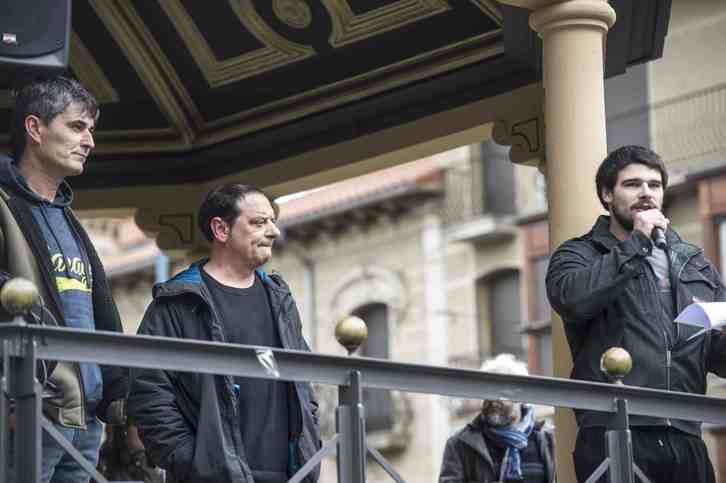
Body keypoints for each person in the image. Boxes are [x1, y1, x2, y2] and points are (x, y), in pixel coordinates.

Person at [546, 145, 726, 483]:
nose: (646, 193)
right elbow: (572, 301)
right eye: (632, 184)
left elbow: (717, 356)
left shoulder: (694, 262)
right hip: (613, 430)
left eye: (654, 185)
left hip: (686, 432)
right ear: (607, 194)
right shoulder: (579, 254)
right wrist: (638, 242)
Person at [128, 183, 321, 483]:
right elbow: (149, 393)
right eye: (259, 222)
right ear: (221, 229)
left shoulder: (280, 299)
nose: (273, 232)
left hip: (290, 476)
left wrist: (310, 446)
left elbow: (303, 385)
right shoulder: (177, 303)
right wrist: (194, 462)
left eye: (272, 221)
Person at [0, 76, 128, 482]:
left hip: (84, 417)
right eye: (76, 127)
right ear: (35, 128)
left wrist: (115, 395)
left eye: (90, 130)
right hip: (27, 410)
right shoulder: (4, 205)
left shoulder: (67, 218)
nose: (89, 141)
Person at [439, 354, 556, 483]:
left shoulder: (550, 440)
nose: (493, 401)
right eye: (486, 394)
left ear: (521, 396)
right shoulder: (460, 444)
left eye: (500, 394)